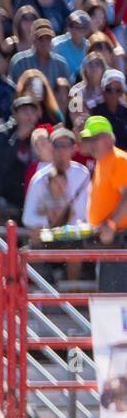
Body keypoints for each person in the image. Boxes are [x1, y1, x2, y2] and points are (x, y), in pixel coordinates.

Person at [83, 114, 127, 291]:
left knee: (116, 301)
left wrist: (111, 224)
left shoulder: (119, 160)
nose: (91, 144)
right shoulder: (102, 162)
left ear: (108, 138)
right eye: (88, 140)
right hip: (110, 241)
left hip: (120, 240)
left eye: (95, 138)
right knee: (109, 298)